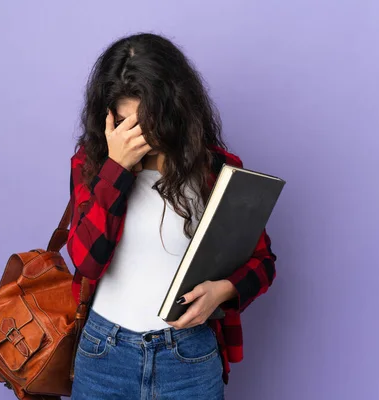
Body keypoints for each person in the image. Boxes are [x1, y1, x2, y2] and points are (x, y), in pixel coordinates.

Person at [66, 33, 277, 400]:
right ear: (108, 117)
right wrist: (116, 168)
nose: (139, 136)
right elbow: (85, 260)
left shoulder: (217, 171)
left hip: (188, 357)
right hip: (104, 353)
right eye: (125, 122)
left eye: (149, 121)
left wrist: (223, 292)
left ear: (175, 108)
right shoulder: (93, 164)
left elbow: (264, 262)